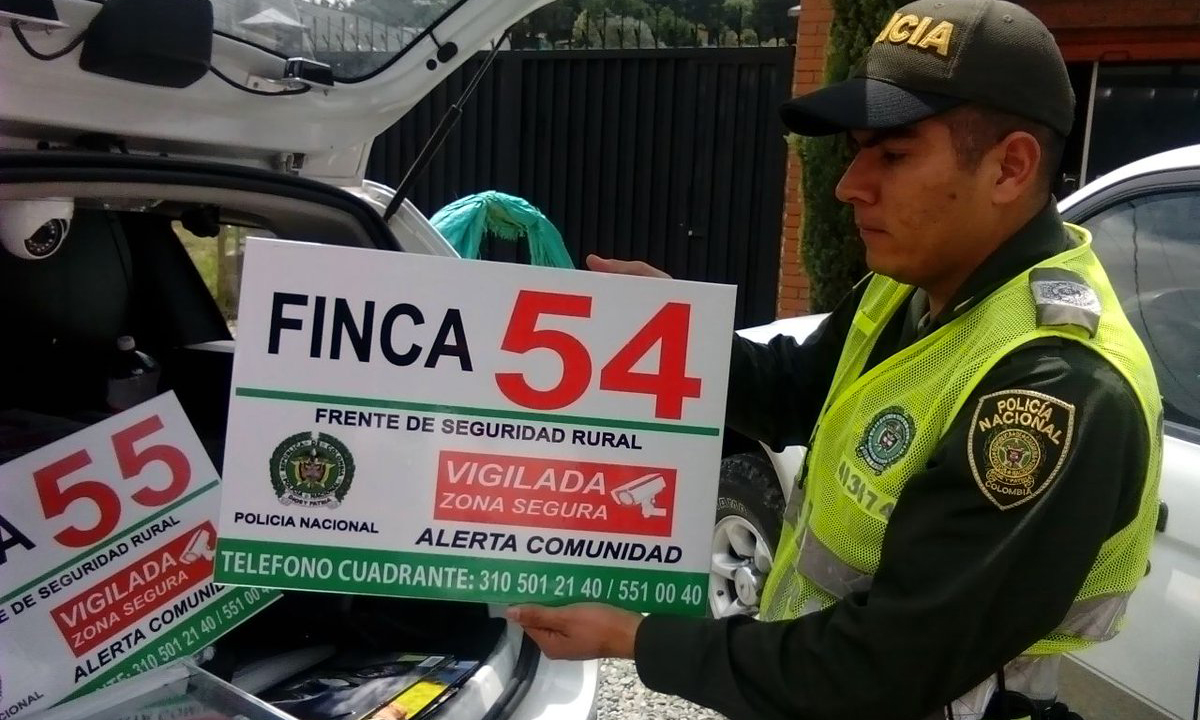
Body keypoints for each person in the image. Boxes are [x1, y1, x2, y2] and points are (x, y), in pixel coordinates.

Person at [504, 1, 1165, 719]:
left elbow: (881, 667)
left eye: (894, 155)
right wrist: (675, 333)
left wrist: (638, 639)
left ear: (1009, 167)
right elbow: (796, 391)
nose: (849, 185)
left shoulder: (1055, 390)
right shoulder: (913, 284)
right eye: (856, 150)